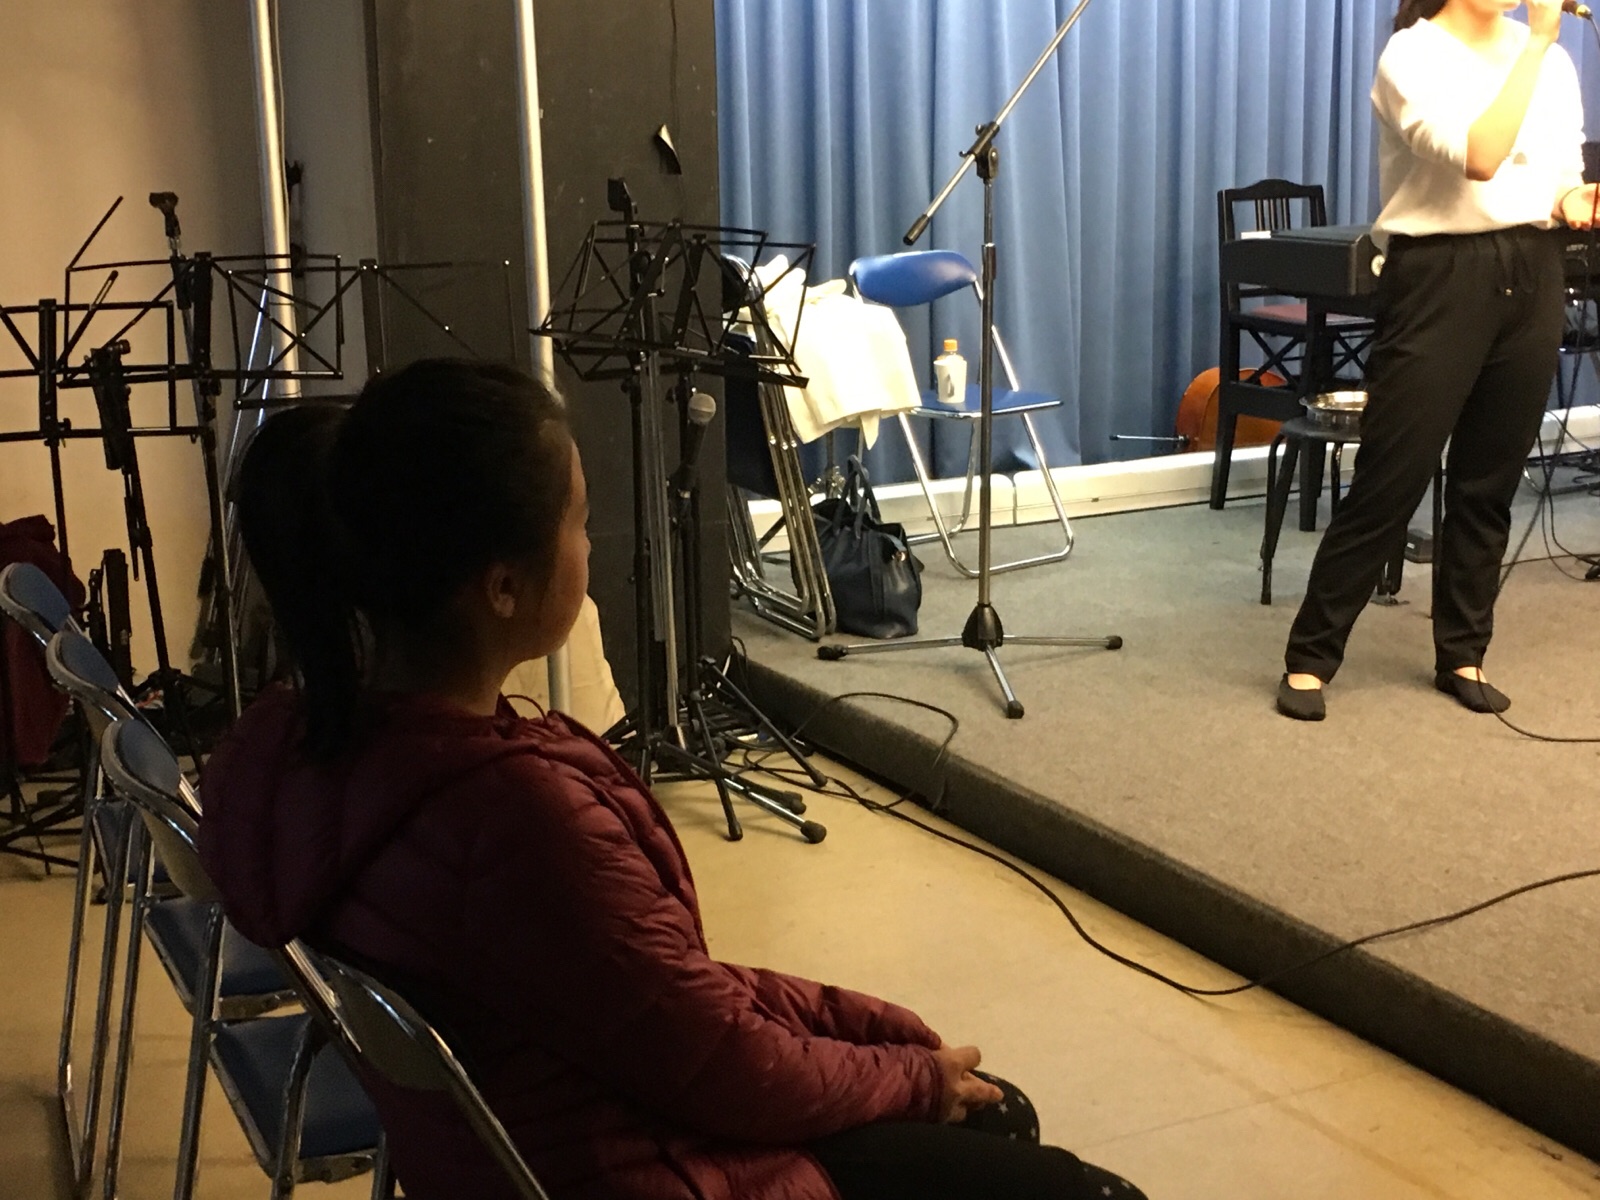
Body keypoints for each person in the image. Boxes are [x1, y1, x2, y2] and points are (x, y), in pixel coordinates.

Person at [198, 359, 1147, 1200]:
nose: (591, 546)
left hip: (544, 1142)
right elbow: (725, 1066)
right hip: (639, 1164)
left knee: (978, 1108)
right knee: (1041, 1154)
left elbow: (665, 1001)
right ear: (502, 586)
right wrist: (910, 1074)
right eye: (578, 521)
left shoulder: (324, 749)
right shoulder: (512, 820)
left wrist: (879, 1033)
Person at [1277, 0, 1600, 721]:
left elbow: (1558, 177)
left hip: (1535, 267)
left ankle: (1463, 651)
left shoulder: (1553, 62)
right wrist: (1536, 46)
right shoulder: (1412, 56)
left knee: (1490, 479)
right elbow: (1479, 158)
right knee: (1393, 473)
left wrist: (1575, 196)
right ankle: (1311, 657)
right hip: (1439, 274)